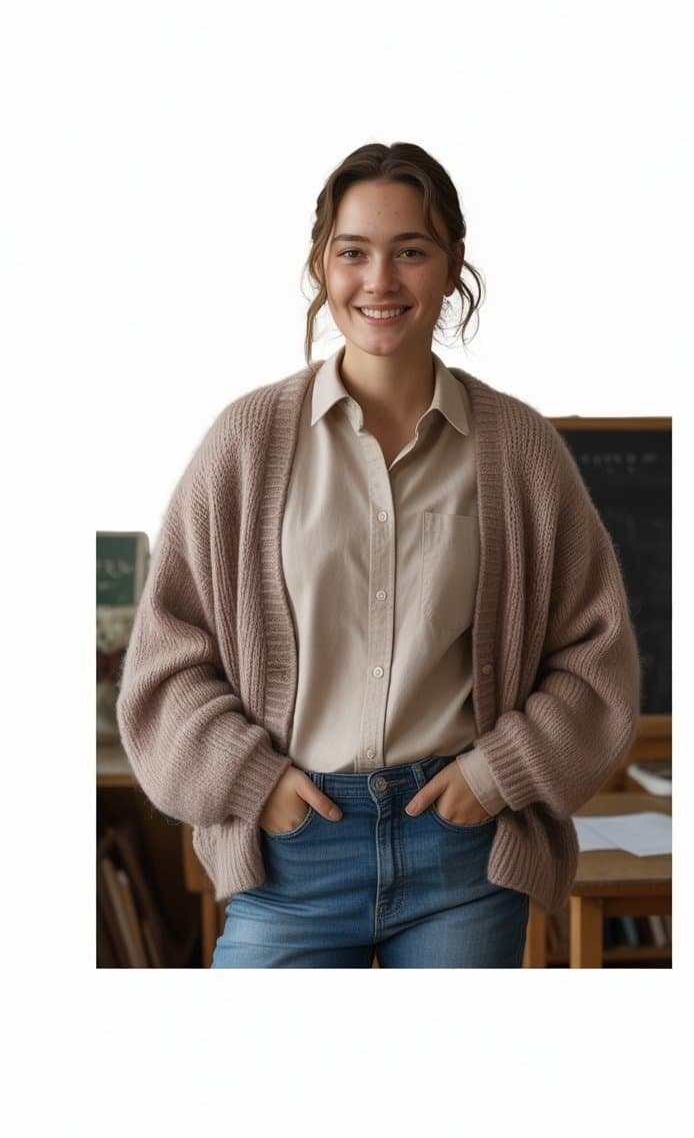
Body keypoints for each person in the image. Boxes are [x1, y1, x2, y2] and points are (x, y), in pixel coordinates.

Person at [117, 141, 642, 968]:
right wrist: (253, 782)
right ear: (322, 266)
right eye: (353, 252)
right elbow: (166, 663)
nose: (380, 281)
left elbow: (595, 657)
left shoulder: (520, 451)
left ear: (453, 264)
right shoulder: (246, 445)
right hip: (291, 856)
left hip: (460, 856)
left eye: (411, 252)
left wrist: (497, 773)